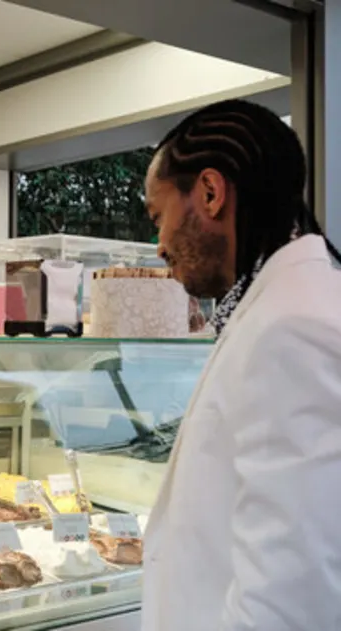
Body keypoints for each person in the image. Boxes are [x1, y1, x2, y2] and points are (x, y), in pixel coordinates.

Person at [142, 99, 341, 631]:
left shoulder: (292, 327)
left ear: (209, 192)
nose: (159, 245)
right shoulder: (279, 306)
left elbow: (290, 600)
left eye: (159, 217)